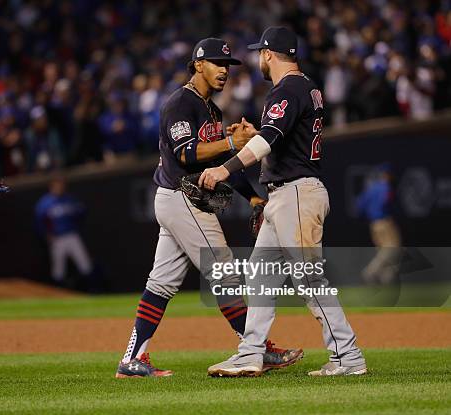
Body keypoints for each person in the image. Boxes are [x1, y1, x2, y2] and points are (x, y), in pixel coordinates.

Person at [116, 38, 303, 378]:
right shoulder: (180, 104)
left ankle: (133, 359)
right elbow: (186, 154)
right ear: (198, 65)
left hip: (178, 200)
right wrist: (233, 141)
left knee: (161, 283)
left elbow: (219, 162)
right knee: (225, 274)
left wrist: (253, 197)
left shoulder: (211, 109)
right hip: (181, 198)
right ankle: (257, 348)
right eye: (217, 64)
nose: (224, 72)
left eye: (228, 66)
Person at [201, 27, 367, 377]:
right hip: (285, 194)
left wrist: (224, 168)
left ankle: (348, 357)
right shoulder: (305, 87)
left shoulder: (289, 89)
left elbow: (270, 140)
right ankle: (250, 353)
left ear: (268, 55)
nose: (258, 58)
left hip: (295, 193)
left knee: (310, 281)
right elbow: (274, 140)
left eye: (260, 52)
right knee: (261, 277)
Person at [34, 176, 94, 286]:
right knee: (58, 269)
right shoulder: (45, 202)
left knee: (85, 264)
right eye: (57, 186)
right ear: (51, 187)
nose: (60, 188)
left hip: (72, 235)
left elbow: (81, 213)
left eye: (61, 186)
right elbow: (39, 221)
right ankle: (57, 292)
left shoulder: (70, 199)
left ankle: (92, 289)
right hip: (57, 238)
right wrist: (46, 234)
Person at [356, 164, 402, 284]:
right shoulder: (385, 187)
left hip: (373, 224)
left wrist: (371, 212)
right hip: (384, 221)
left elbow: (360, 205)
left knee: (383, 250)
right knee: (393, 248)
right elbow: (385, 201)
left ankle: (387, 279)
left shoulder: (371, 188)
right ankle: (370, 272)